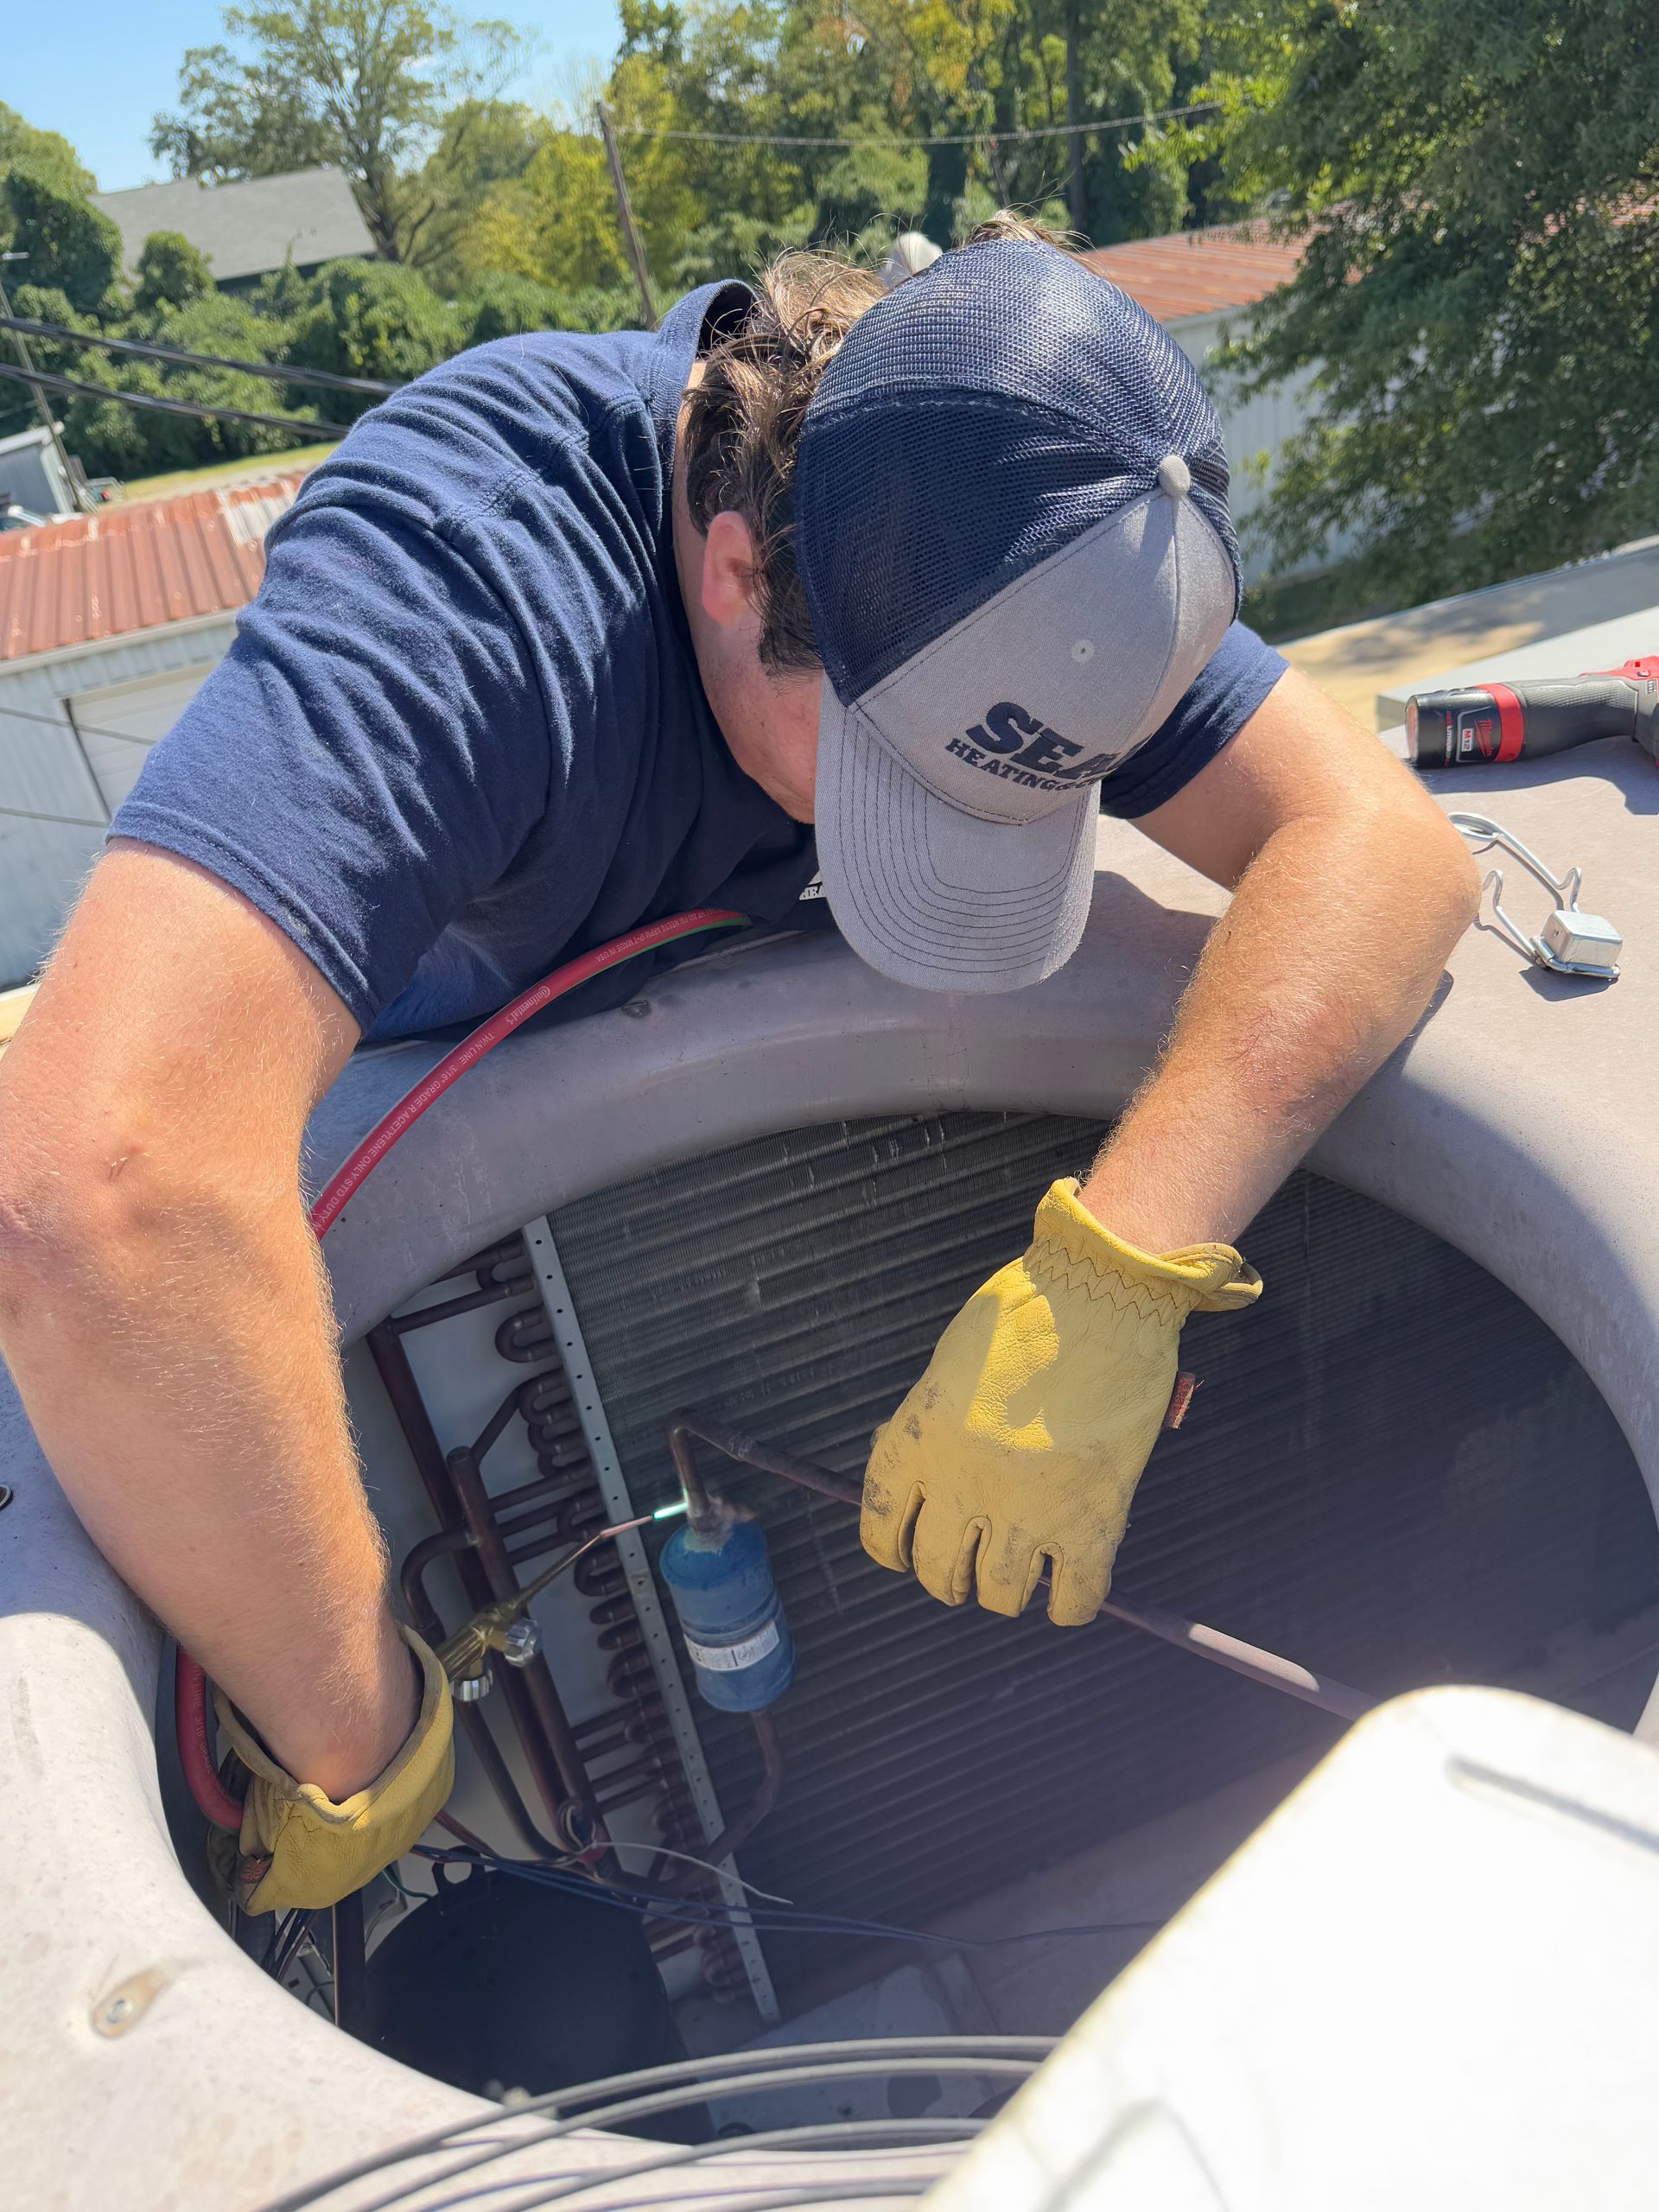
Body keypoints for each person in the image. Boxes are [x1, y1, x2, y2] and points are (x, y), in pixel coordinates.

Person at [0, 220, 1478, 1912]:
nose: (949, 835)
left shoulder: (1022, 529)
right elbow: (96, 1197)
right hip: (360, 1177)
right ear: (731, 568)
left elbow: (1387, 850)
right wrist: (366, 1731)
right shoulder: (480, 574)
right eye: (895, 778)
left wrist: (1123, 1267)